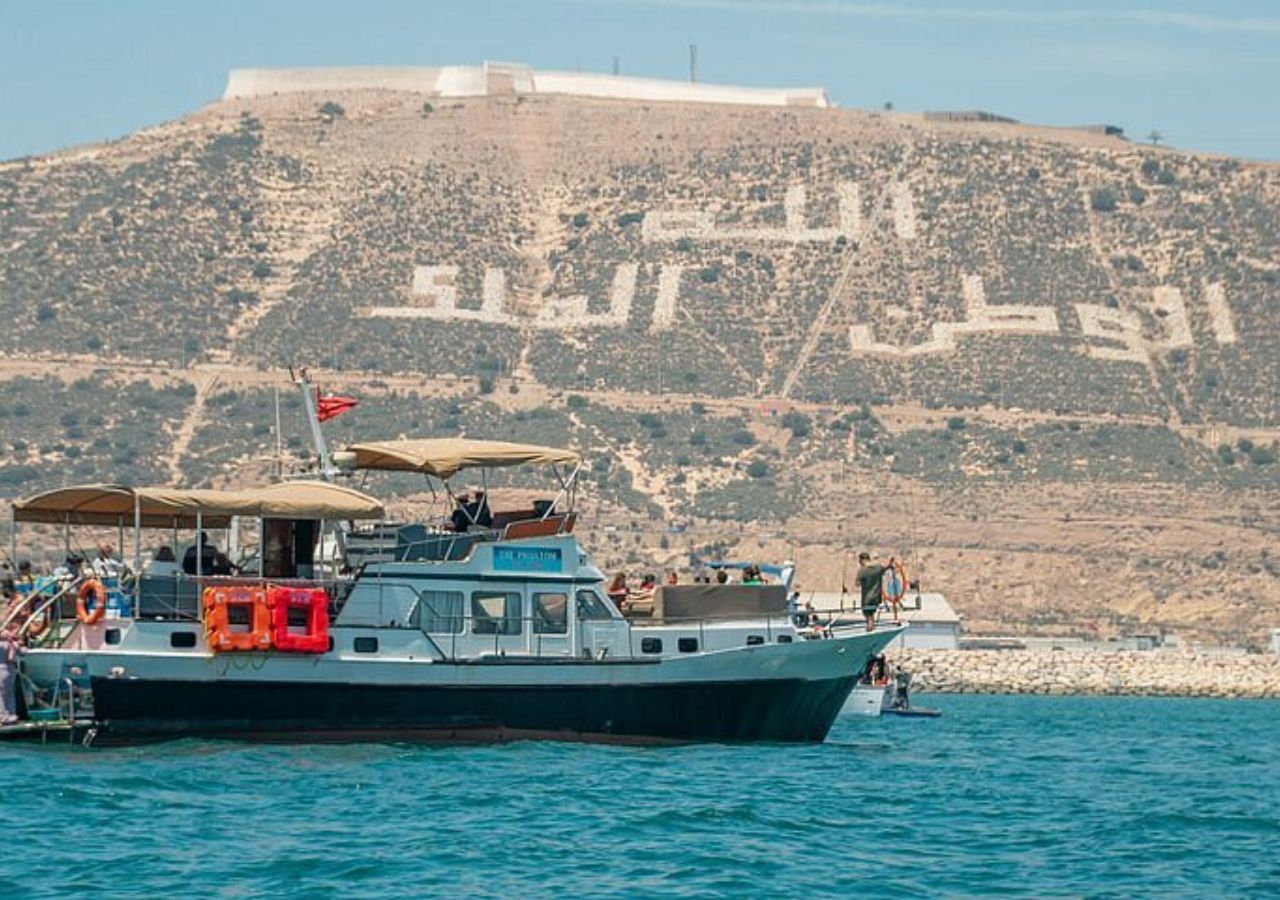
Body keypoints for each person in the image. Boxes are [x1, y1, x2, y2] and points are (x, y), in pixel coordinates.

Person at [856, 551, 886, 631]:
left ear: (862, 560)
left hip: (867, 599)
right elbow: (885, 568)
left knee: (868, 617)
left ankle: (869, 633)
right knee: (872, 615)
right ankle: (872, 630)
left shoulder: (862, 571)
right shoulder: (878, 568)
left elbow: (857, 584)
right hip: (876, 598)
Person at [0, 622, 21, 725]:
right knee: (9, 693)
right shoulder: (12, 643)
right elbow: (22, 652)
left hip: (2, 669)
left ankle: (4, 716)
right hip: (10, 669)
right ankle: (12, 715)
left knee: (2, 694)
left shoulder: (2, 644)